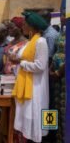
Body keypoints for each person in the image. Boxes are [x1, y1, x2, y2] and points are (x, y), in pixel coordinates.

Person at [11, 11, 49, 143]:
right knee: (27, 115)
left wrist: (21, 62)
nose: (23, 27)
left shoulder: (41, 42)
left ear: (32, 26)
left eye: (25, 24)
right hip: (26, 82)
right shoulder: (30, 41)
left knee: (35, 113)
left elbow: (40, 66)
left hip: (35, 85)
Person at [48, 12, 66, 143]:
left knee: (64, 109)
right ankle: (53, 136)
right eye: (62, 14)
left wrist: (59, 72)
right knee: (54, 107)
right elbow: (55, 53)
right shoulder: (62, 32)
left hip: (64, 77)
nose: (63, 17)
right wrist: (51, 69)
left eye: (66, 15)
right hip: (54, 77)